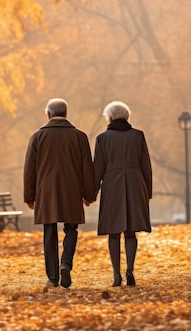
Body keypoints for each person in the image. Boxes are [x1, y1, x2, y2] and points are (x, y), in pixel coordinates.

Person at [23, 98, 95, 288]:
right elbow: (87, 169)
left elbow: (29, 169)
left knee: (49, 231)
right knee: (71, 229)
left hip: (46, 191)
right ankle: (66, 263)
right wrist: (89, 194)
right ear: (66, 114)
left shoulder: (37, 137)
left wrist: (29, 196)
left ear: (48, 114)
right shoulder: (80, 137)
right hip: (72, 190)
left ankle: (53, 277)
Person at [93, 101, 152, 287]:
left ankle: (116, 275)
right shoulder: (138, 136)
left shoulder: (103, 139)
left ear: (109, 117)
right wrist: (147, 192)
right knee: (130, 232)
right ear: (127, 116)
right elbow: (146, 166)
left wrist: (91, 192)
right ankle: (130, 270)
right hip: (135, 183)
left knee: (113, 232)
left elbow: (98, 169)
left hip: (112, 185)